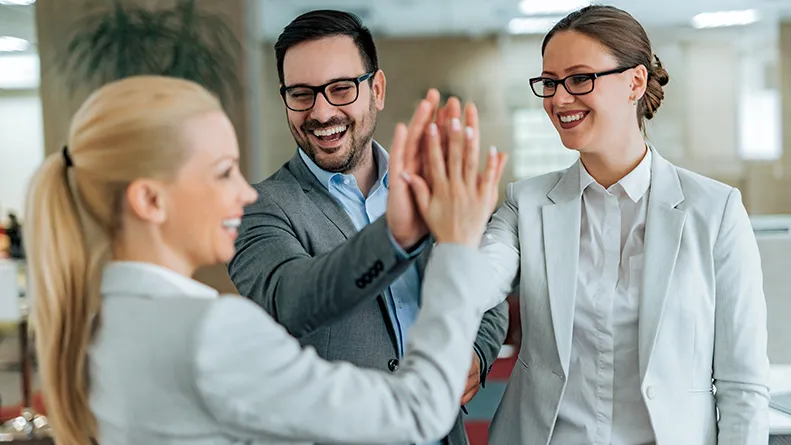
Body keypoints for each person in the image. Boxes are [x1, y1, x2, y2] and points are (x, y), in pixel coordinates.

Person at [23, 75, 507, 445]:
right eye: (223, 173)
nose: (243, 193)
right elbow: (417, 413)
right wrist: (459, 246)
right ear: (150, 201)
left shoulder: (100, 318)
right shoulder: (211, 331)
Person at [481, 5, 770, 445]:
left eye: (580, 79)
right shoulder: (527, 204)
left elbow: (743, 385)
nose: (559, 99)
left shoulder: (716, 211)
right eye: (549, 83)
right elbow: (472, 284)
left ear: (635, 82)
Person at [227, 11, 509, 445]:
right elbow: (292, 302)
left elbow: (487, 285)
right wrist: (396, 236)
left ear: (375, 90)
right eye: (301, 94)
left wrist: (477, 353)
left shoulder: (435, 184)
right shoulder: (259, 209)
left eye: (340, 89)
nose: (321, 112)